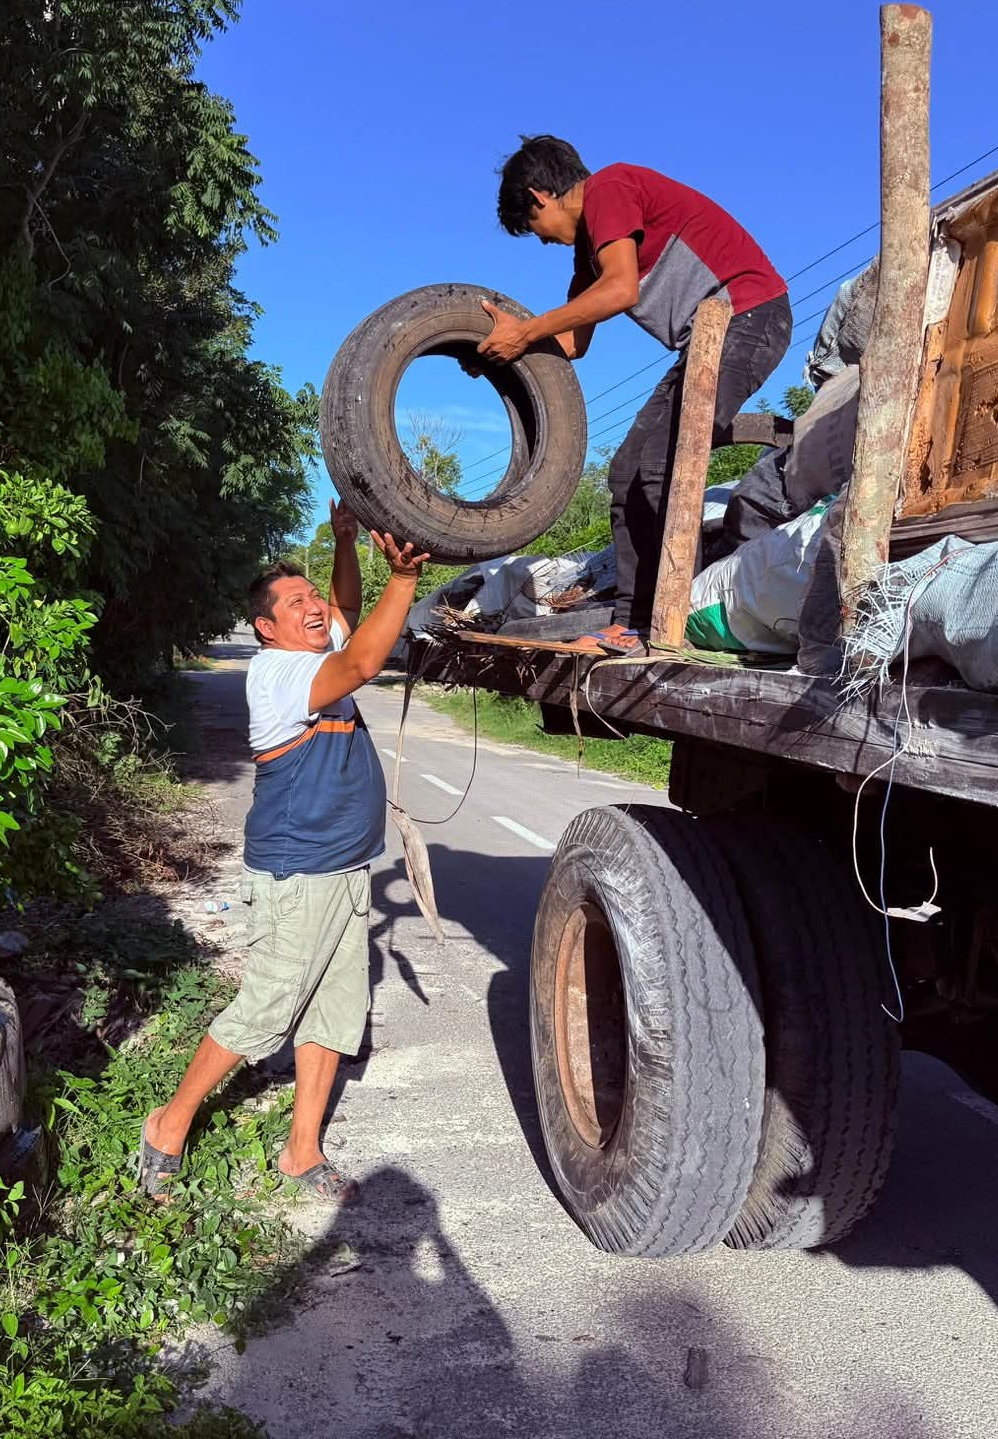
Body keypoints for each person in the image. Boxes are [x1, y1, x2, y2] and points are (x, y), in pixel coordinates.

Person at [139, 500, 428, 1205]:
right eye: (295, 603)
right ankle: (168, 1124)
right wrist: (403, 580)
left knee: (335, 1011)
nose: (314, 607)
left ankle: (302, 1152)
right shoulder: (278, 674)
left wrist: (344, 542)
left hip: (345, 869)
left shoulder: (314, 650)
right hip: (298, 873)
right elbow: (363, 658)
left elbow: (345, 612)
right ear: (265, 627)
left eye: (310, 598)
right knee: (268, 1008)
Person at [478, 135, 793, 652]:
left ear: (539, 196)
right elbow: (573, 343)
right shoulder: (590, 253)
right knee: (627, 472)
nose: (544, 241)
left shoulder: (610, 187)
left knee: (661, 466)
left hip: (750, 317)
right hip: (706, 340)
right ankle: (633, 623)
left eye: (535, 228)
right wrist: (493, 351)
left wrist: (528, 330)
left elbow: (620, 289)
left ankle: (675, 616)